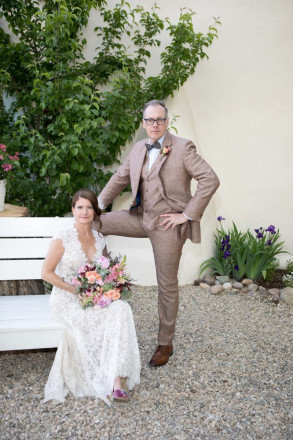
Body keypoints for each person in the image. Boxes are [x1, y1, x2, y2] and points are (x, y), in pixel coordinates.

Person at [93, 99, 220, 368]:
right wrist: (96, 207)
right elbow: (118, 178)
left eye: (160, 120)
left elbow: (210, 179)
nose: (155, 125)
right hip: (140, 217)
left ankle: (165, 343)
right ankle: (103, 277)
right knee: (95, 224)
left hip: (166, 225)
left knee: (167, 284)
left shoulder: (183, 147)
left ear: (167, 122)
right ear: (143, 122)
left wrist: (186, 215)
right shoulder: (138, 148)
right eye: (150, 120)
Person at [42, 189, 140, 404]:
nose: (84, 212)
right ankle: (110, 379)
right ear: (73, 210)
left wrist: (108, 288)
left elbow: (103, 271)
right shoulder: (63, 237)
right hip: (67, 298)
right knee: (105, 319)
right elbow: (46, 273)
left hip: (92, 297)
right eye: (80, 207)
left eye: (89, 207)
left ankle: (116, 379)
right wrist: (74, 290)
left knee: (121, 308)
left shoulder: (100, 239)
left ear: (95, 211)